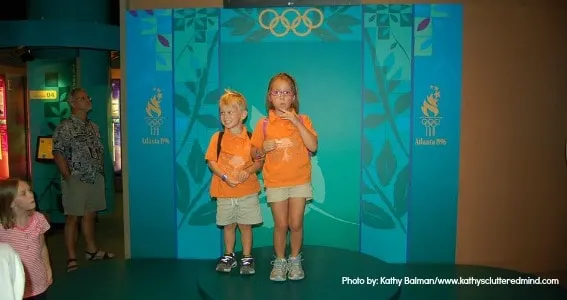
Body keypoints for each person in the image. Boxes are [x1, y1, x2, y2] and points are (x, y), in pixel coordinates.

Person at [250, 73, 318, 281]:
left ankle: (295, 259)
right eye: (276, 92)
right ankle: (279, 261)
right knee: (281, 224)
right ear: (270, 97)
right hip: (276, 182)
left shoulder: (304, 119)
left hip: (299, 180)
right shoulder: (263, 123)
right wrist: (262, 148)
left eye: (286, 92)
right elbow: (253, 153)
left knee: (296, 223)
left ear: (293, 97)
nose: (281, 97)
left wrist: (296, 122)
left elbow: (313, 146)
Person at [52, 88, 114, 272]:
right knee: (73, 217)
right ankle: (71, 257)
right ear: (72, 103)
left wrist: (101, 171)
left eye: (88, 97)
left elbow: (98, 150)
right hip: (76, 178)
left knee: (91, 214)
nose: (87, 100)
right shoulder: (65, 127)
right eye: (82, 98)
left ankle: (91, 250)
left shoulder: (94, 127)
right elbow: (57, 153)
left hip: (95, 176)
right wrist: (68, 177)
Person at [204, 90, 263, 275]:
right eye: (222, 112)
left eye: (230, 112)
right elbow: (211, 162)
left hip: (247, 192)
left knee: (245, 226)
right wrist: (225, 177)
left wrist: (247, 171)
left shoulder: (253, 138)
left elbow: (259, 162)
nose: (225, 116)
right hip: (224, 191)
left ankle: (246, 258)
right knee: (228, 226)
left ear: (243, 114)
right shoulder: (217, 138)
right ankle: (228, 256)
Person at [0, 179, 52, 299]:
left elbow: (42, 247)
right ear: (11, 202)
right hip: (14, 283)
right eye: (23, 193)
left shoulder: (38, 219)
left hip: (37, 281)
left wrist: (48, 269)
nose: (31, 194)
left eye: (30, 190)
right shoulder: (2, 227)